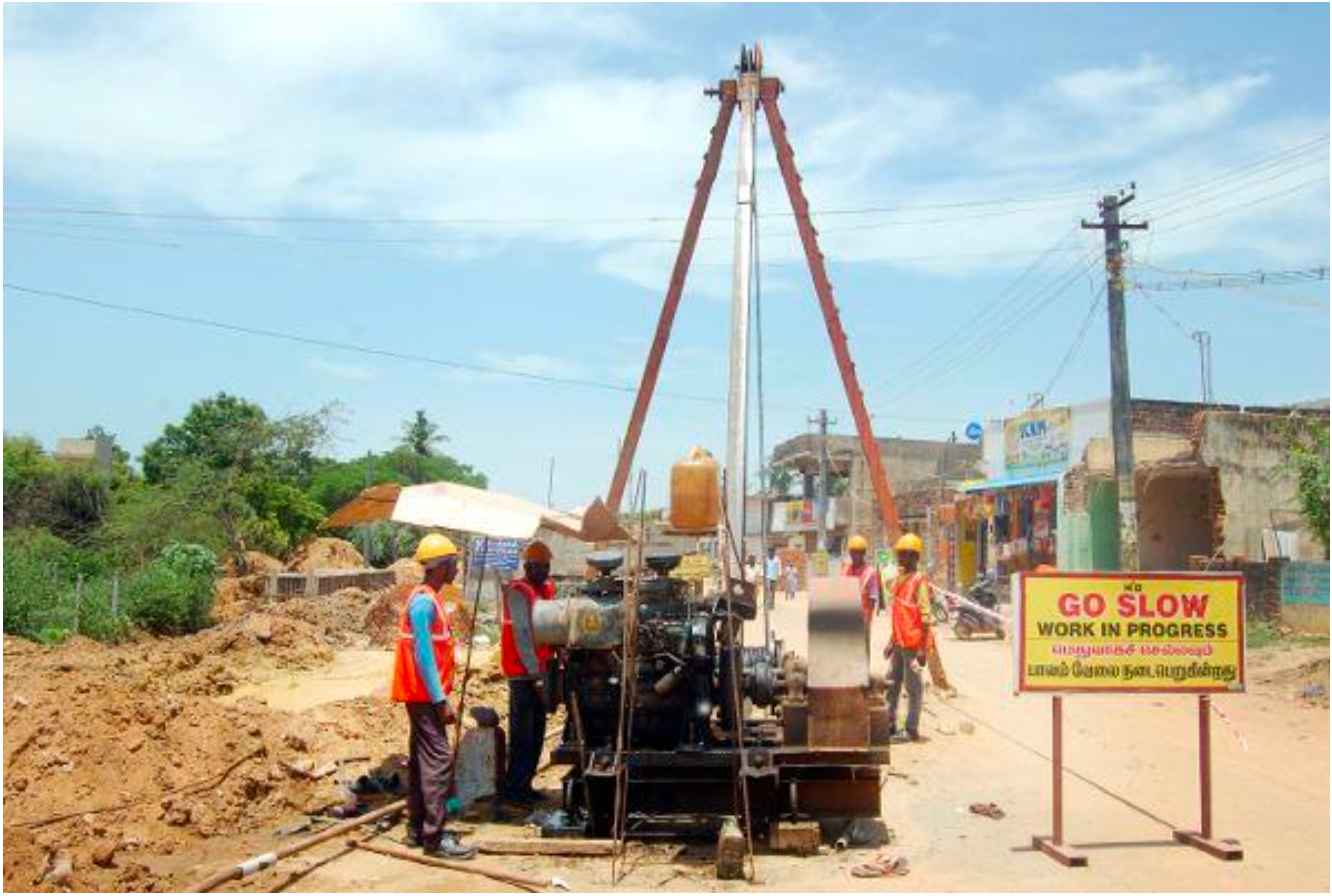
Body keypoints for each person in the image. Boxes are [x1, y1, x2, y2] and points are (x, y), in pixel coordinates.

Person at [391, 533, 475, 859]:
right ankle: (434, 839)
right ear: (441, 566)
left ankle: (416, 828)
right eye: (454, 563)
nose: (457, 569)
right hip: (425, 696)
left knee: (420, 760)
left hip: (422, 694)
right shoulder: (425, 603)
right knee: (439, 760)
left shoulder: (428, 598)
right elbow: (424, 655)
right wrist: (440, 699)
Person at [500, 540, 557, 805]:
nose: (543, 571)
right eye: (537, 567)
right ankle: (515, 788)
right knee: (522, 733)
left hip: (540, 670)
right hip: (523, 675)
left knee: (536, 731)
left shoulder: (545, 589)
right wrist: (535, 674)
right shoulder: (518, 592)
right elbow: (523, 636)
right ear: (526, 566)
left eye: (546, 566)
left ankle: (526, 783)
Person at [884, 533, 932, 743]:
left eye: (904, 554)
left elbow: (925, 616)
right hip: (899, 641)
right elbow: (898, 614)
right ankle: (889, 723)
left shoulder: (919, 580)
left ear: (914, 557)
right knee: (892, 682)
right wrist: (890, 641)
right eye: (899, 554)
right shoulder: (900, 580)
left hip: (912, 644)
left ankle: (911, 729)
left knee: (913, 687)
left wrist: (922, 648)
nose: (899, 558)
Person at [841, 534, 881, 641]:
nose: (855, 555)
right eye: (853, 552)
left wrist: (867, 623)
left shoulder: (870, 573)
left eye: (858, 552)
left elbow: (873, 599)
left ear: (863, 553)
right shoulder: (845, 570)